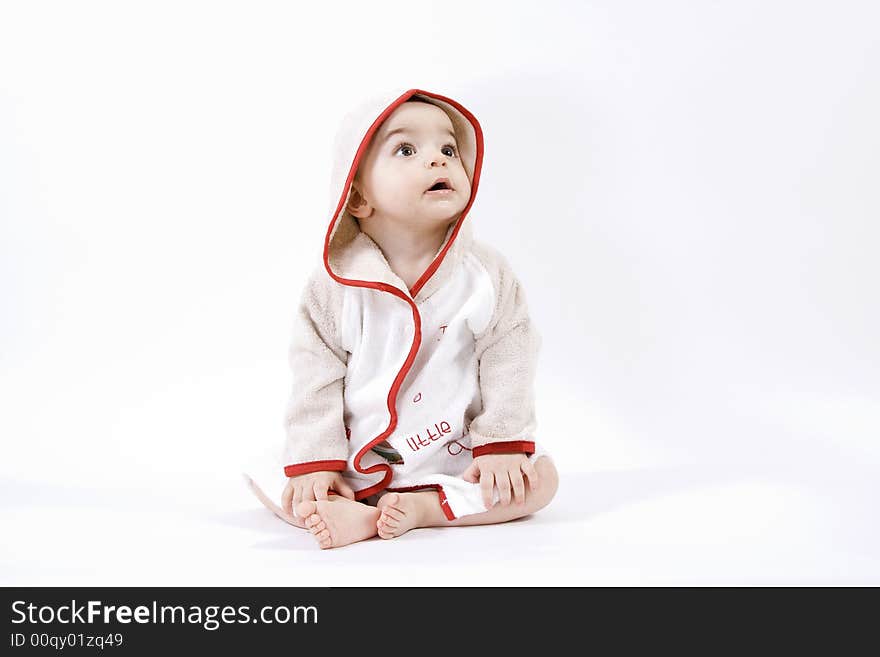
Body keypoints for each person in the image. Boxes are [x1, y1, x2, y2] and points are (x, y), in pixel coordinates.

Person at [243, 87, 558, 549]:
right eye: (406, 149)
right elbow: (316, 373)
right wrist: (318, 460)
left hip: (455, 452)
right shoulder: (337, 285)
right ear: (357, 197)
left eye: (449, 148)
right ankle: (349, 505)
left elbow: (511, 352)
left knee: (540, 482)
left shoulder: (485, 274)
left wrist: (501, 441)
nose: (438, 160)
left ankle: (422, 509)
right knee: (280, 482)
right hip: (357, 456)